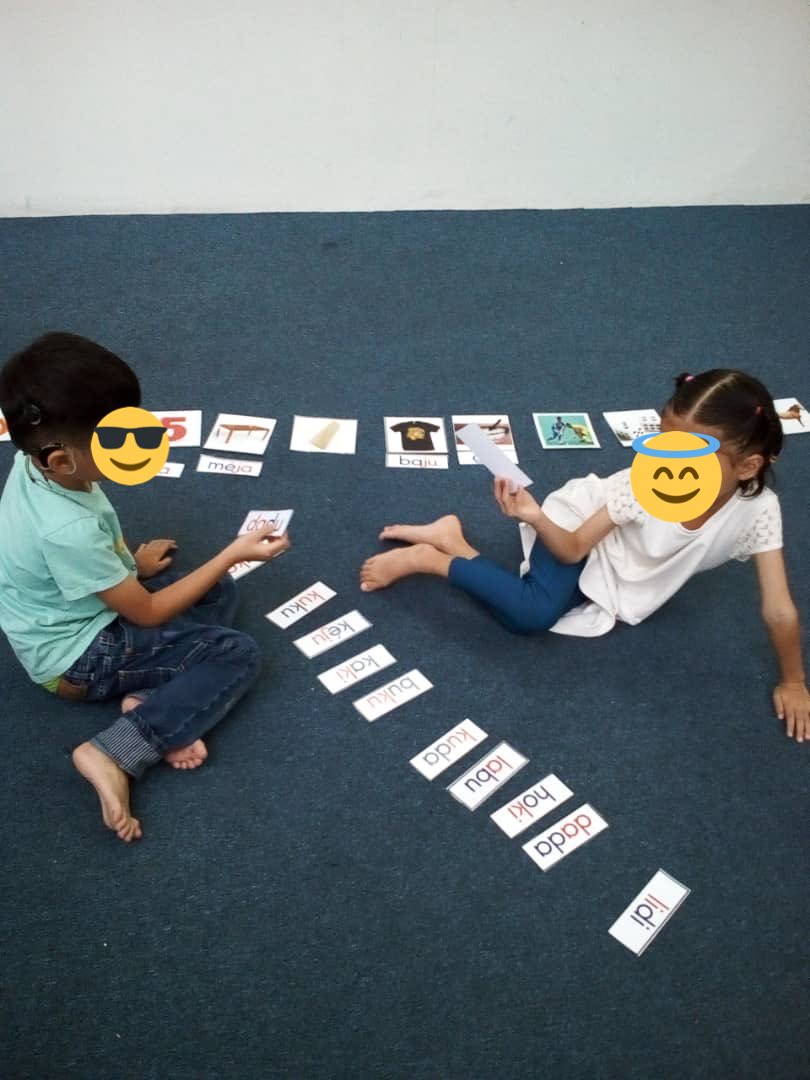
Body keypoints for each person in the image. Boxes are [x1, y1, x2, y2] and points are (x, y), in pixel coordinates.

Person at [360, 369, 810, 743]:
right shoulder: (643, 485)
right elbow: (573, 546)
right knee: (530, 615)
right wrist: (534, 516)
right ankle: (431, 559)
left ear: (748, 467)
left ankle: (452, 540)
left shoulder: (759, 509)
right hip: (574, 527)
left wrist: (794, 681)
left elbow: (778, 607)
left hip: (617, 567)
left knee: (535, 608)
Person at [0, 332, 289, 842]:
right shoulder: (64, 529)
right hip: (77, 659)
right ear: (62, 459)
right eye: (112, 439)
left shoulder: (39, 460)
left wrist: (128, 566)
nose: (130, 446)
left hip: (79, 617)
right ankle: (118, 749)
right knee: (236, 653)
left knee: (217, 593)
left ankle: (151, 693)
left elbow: (93, 543)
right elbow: (149, 615)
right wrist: (230, 553)